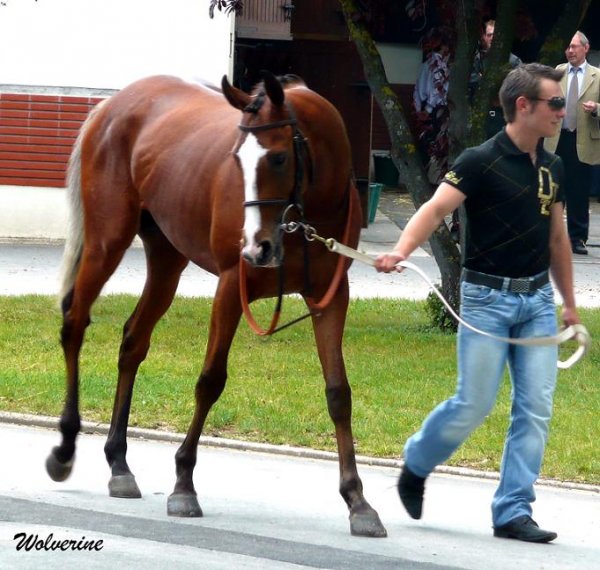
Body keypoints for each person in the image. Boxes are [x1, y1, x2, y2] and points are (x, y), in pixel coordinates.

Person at [375, 63, 580, 543]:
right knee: (473, 403)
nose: (561, 110)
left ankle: (513, 511)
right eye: (554, 102)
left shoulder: (553, 166)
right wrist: (400, 252)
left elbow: (558, 239)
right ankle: (417, 462)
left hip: (535, 302)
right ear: (523, 106)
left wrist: (568, 304)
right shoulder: (479, 160)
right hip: (486, 299)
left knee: (535, 408)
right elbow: (434, 208)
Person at [544, 31, 600, 255]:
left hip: (583, 139)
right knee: (553, 188)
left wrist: (596, 109)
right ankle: (551, 235)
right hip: (558, 138)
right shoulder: (558, 72)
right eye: (569, 47)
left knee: (578, 190)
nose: (570, 51)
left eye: (575, 47)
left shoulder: (597, 75)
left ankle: (577, 238)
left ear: (586, 48)